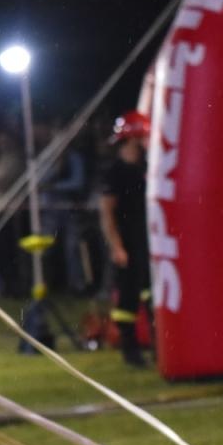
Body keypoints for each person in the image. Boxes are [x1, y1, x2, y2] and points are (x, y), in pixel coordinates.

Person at [98, 111, 152, 366]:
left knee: (151, 295)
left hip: (148, 241)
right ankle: (130, 351)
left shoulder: (148, 167)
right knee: (128, 298)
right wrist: (117, 246)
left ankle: (158, 347)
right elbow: (107, 213)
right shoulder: (114, 172)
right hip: (127, 242)